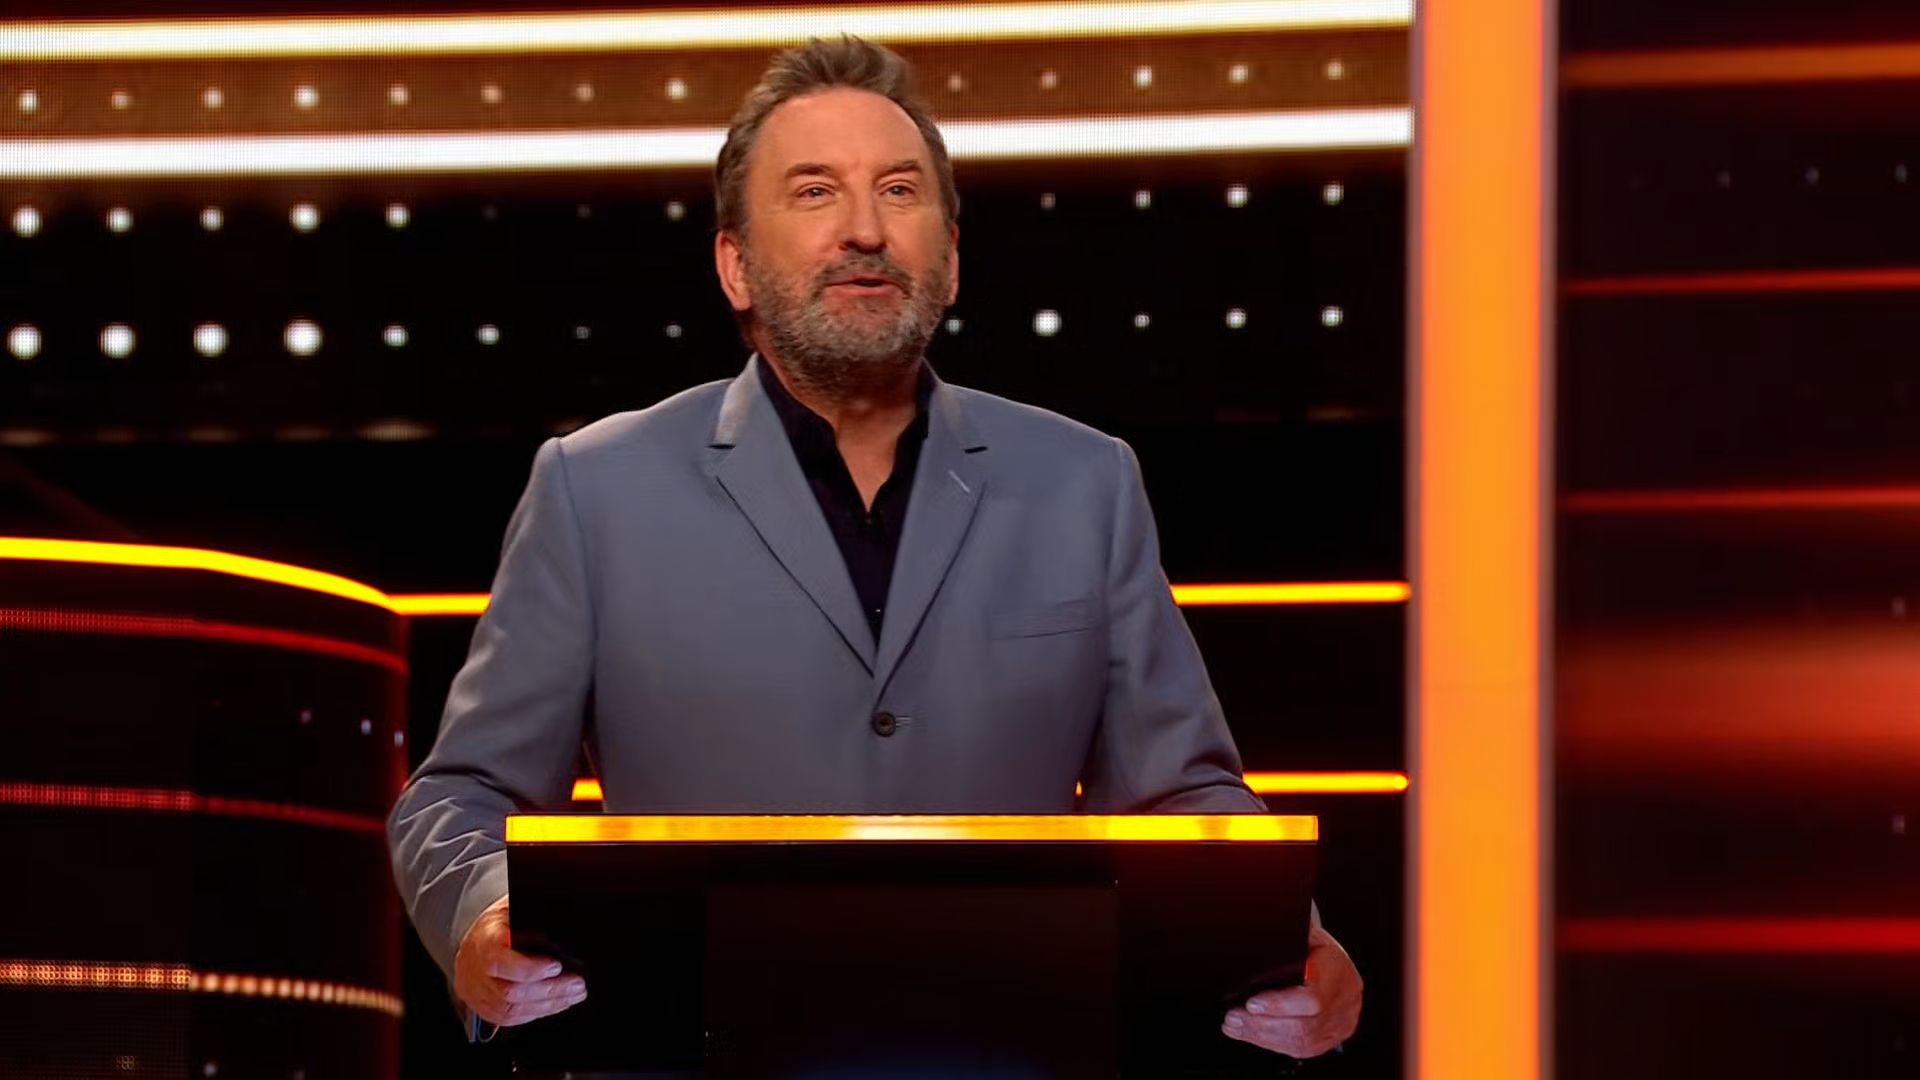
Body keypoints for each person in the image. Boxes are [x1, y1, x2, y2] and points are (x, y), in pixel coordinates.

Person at [388, 35, 1363, 1064]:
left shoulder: (1085, 482)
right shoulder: (596, 489)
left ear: (952, 260)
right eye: (815, 192)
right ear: (734, 266)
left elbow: (1182, 802)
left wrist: (1292, 946)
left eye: (899, 191)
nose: (865, 229)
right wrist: (485, 916)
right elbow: (463, 794)